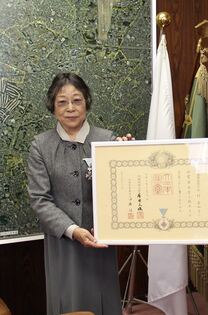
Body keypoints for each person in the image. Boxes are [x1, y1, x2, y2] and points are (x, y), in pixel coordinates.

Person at [27, 73, 132, 315]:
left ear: (87, 103)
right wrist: (72, 230)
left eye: (77, 100)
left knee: (103, 301)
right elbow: (40, 199)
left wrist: (127, 156)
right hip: (62, 242)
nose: (71, 108)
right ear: (53, 107)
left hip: (100, 239)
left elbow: (122, 188)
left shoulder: (107, 140)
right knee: (68, 302)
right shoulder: (40, 146)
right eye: (62, 102)